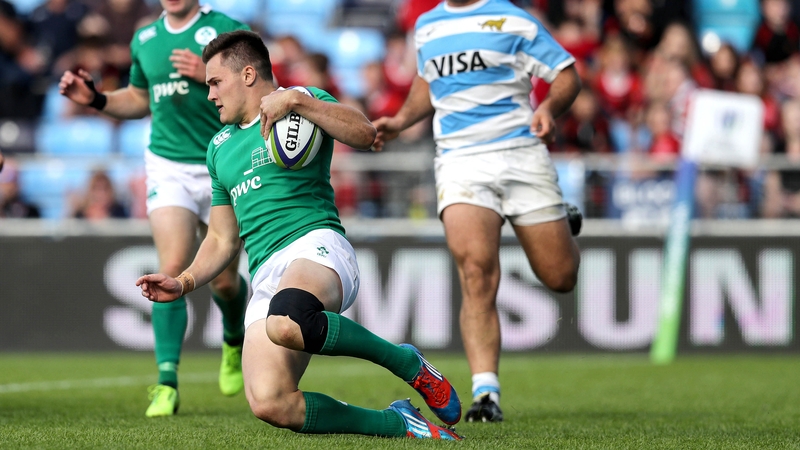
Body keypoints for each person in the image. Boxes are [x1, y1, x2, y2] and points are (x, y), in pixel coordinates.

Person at [137, 30, 462, 440]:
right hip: (265, 273)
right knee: (270, 403)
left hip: (315, 246)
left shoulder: (304, 102)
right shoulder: (218, 146)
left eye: (215, 83)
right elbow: (221, 239)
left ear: (249, 75)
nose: (210, 95)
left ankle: (407, 364)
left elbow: (365, 135)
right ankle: (400, 423)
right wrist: (182, 281)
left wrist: (297, 101)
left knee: (287, 321)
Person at [372, 0, 583, 423]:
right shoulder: (427, 26)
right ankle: (486, 393)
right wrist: (399, 120)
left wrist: (547, 107)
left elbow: (566, 75)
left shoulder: (513, 19)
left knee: (560, 276)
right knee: (475, 271)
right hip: (461, 160)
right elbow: (427, 84)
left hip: (521, 154)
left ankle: (562, 217)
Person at [58, 0, 250, 417]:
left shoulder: (226, 29)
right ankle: (166, 382)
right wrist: (95, 99)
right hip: (168, 166)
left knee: (224, 284)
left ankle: (233, 337)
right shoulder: (145, 37)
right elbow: (140, 99)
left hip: (222, 160)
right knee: (174, 265)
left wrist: (209, 75)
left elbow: (257, 87)